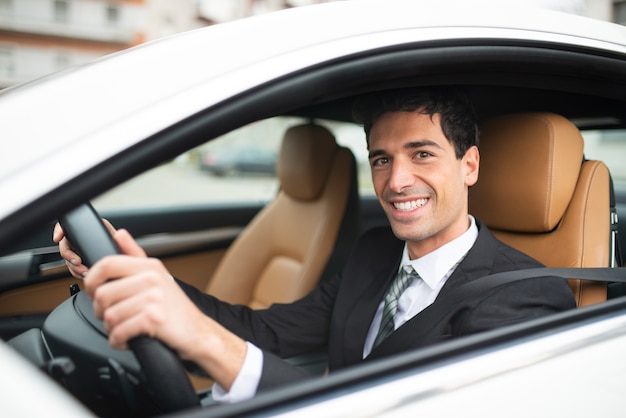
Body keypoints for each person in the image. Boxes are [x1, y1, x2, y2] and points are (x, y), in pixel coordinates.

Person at [53, 86, 576, 403]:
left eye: (421, 155)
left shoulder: (525, 298)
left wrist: (210, 346)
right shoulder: (374, 252)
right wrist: (146, 280)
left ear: (470, 166)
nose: (395, 182)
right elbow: (263, 331)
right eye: (381, 159)